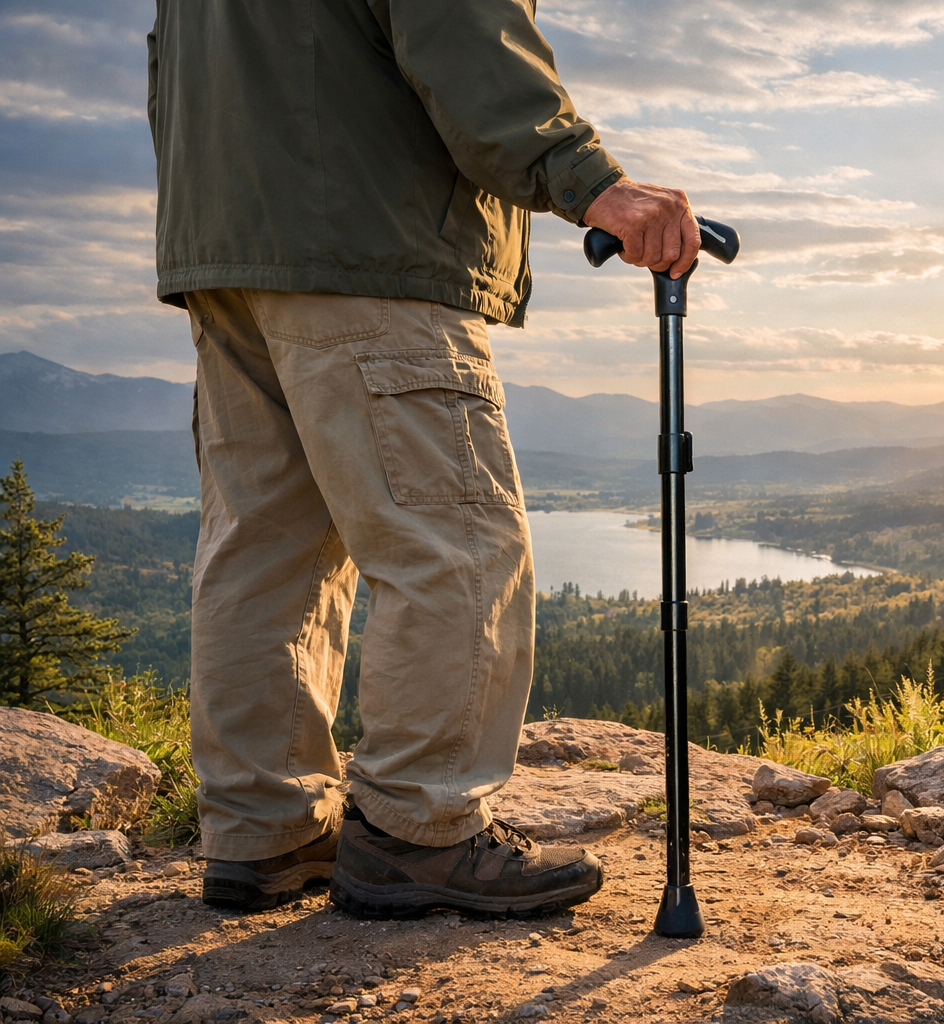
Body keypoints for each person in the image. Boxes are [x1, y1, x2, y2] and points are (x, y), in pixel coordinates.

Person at [146, 0, 700, 917]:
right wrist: (590, 181)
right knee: (460, 545)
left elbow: (174, 68)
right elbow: (464, 25)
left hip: (228, 249)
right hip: (371, 244)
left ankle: (262, 832)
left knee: (265, 548)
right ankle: (419, 831)